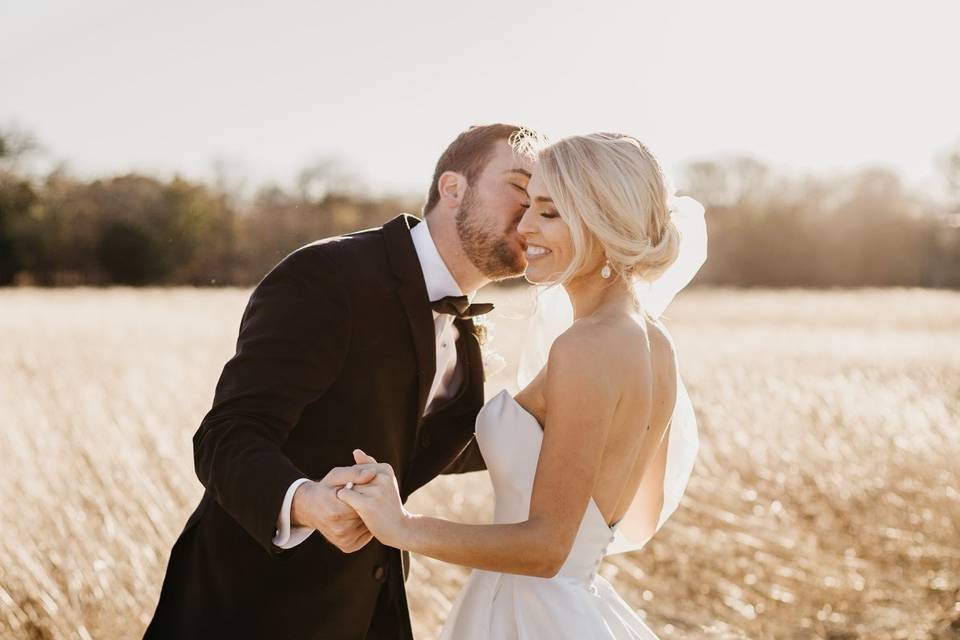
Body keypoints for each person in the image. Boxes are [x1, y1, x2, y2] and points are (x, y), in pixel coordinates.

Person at [143, 123, 536, 640]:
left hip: (366, 610)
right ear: (453, 188)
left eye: (547, 201)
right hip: (247, 609)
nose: (534, 212)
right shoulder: (328, 275)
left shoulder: (462, 329)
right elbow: (226, 434)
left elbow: (418, 440)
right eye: (520, 187)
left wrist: (560, 414)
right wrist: (307, 501)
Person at [337, 132, 706, 639]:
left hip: (528, 617)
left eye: (549, 213)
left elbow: (546, 548)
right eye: (529, 204)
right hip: (570, 606)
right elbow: (632, 515)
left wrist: (402, 527)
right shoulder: (653, 341)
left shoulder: (587, 347)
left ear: (603, 222)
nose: (525, 225)